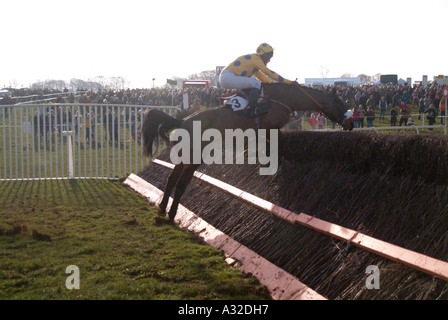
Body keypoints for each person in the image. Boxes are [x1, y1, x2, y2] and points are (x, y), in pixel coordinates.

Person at [219, 43, 296, 117]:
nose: (269, 60)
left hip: (226, 77)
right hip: (227, 77)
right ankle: (253, 110)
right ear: (265, 55)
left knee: (256, 83)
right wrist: (289, 82)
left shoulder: (254, 62)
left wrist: (273, 85)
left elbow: (263, 78)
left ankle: (245, 106)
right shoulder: (256, 59)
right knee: (256, 83)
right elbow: (269, 73)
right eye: (269, 57)